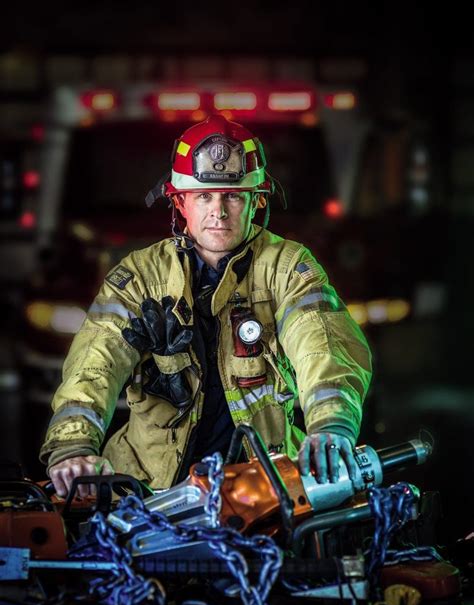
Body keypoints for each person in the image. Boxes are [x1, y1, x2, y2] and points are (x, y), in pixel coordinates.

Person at [40, 114, 372, 498]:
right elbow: (94, 364)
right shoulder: (140, 276)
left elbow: (323, 346)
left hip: (265, 489)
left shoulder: (289, 269)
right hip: (147, 492)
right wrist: (74, 447)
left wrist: (331, 426)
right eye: (204, 196)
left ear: (256, 200)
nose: (219, 211)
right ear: (180, 203)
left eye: (233, 195)